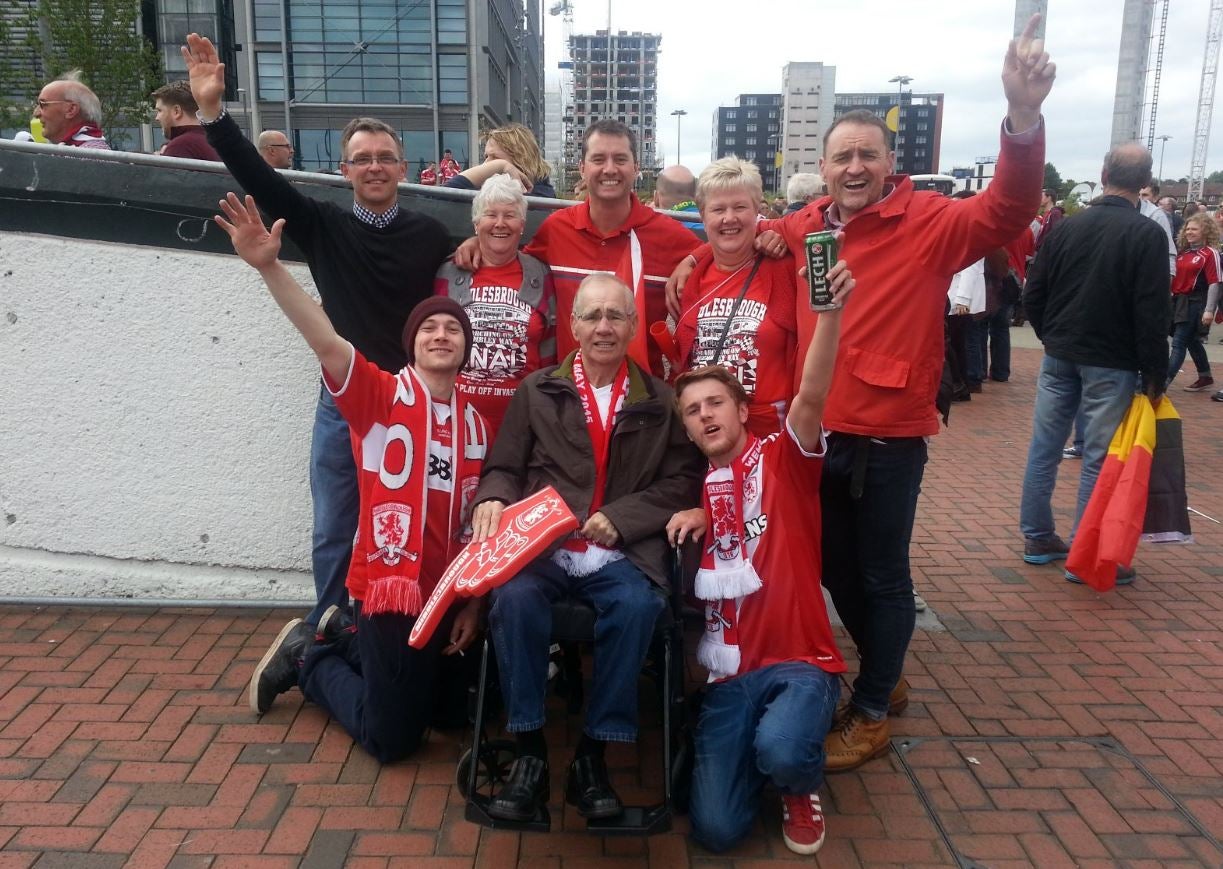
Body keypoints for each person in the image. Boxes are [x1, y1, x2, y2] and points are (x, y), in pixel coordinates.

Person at [668, 13, 1054, 771]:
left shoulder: (931, 223)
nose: (852, 166)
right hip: (816, 436)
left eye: (865, 155)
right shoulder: (809, 222)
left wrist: (1023, 117)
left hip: (886, 434)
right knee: (831, 566)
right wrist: (691, 260)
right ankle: (884, 666)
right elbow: (740, 227)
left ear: (888, 161)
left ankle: (873, 704)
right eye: (840, 154)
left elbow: (1007, 211)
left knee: (881, 573)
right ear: (823, 163)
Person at [183, 34, 451, 627]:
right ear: (345, 169)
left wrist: (483, 244)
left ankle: (406, 624)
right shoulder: (321, 224)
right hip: (343, 399)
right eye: (363, 158)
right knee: (335, 524)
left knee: (419, 519)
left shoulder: (432, 235)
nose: (375, 166)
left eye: (385, 156)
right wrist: (213, 113)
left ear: (403, 167)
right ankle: (327, 626)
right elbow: (260, 177)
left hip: (411, 401)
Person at [217, 193, 486, 757]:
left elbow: (472, 531)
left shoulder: (477, 425)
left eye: (452, 329)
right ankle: (310, 660)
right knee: (393, 741)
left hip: (444, 596)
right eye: (429, 327)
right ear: (411, 345)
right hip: (392, 592)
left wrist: (472, 602)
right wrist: (269, 266)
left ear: (465, 348)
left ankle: (343, 636)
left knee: (456, 718)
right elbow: (324, 337)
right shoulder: (381, 397)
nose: (441, 335)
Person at [469, 273, 704, 823]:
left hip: (619, 551)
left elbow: (679, 483)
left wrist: (620, 519)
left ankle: (592, 758)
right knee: (515, 601)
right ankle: (529, 752)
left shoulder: (659, 399)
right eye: (592, 316)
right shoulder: (537, 389)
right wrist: (495, 497)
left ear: (631, 325)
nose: (603, 327)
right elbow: (503, 465)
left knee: (638, 606)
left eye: (615, 316)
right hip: (544, 547)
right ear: (573, 325)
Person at [670, 253, 853, 857]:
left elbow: (811, 395)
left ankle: (797, 779)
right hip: (732, 674)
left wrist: (827, 317)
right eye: (694, 412)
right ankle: (758, 755)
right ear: (690, 432)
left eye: (715, 404)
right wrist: (699, 511)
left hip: (800, 660)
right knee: (717, 831)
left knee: (782, 748)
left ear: (740, 409)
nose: (705, 415)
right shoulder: (704, 488)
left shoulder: (784, 458)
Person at [1019, 144, 1170, 586]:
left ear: (1103, 173)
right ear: (1144, 180)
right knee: (1099, 459)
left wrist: (1052, 335)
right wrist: (1155, 372)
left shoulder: (1066, 228)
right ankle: (1086, 554)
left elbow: (1035, 291)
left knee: (1044, 448)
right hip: (1112, 359)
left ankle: (1037, 537)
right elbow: (1152, 312)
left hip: (1062, 353)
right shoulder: (1146, 235)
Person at [455, 119, 702, 378]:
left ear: (635, 168)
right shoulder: (557, 228)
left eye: (620, 159)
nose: (609, 169)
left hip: (639, 404)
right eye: (598, 159)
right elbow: (511, 264)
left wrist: (694, 258)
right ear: (582, 169)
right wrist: (480, 242)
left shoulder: (668, 235)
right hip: (566, 398)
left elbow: (730, 250)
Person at [675, 157, 798, 435]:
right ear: (703, 215)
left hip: (769, 437)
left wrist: (772, 231)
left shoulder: (783, 266)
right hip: (707, 438)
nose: (729, 218)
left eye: (740, 207)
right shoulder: (692, 279)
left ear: (757, 210)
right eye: (718, 209)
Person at [435, 173, 556, 434]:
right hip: (455, 426)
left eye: (510, 215)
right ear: (476, 223)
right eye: (491, 215)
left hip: (521, 428)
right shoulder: (449, 273)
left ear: (522, 224)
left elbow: (549, 351)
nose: (500, 223)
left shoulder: (541, 275)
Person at [1170, 212, 1221, 392]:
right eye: (1188, 229)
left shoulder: (1210, 253)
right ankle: (1205, 375)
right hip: (1178, 301)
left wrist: (1209, 310)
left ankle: (1162, 382)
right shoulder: (1183, 253)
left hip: (1196, 301)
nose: (1189, 232)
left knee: (1179, 342)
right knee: (1191, 340)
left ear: (1205, 231)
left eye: (1194, 229)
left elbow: (1215, 282)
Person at [445, 123, 556, 198]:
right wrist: (503, 165)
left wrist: (501, 166)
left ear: (522, 160)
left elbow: (441, 195)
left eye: (495, 158)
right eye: (486, 157)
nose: (486, 165)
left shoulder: (540, 196)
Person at [33, 72, 109, 150]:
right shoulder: (83, 153)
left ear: (71, 109)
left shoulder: (91, 156)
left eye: (43, 104)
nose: (36, 113)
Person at [152, 81, 220, 161]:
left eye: (160, 110)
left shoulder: (180, 146)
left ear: (176, 111)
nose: (157, 117)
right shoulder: (216, 142)